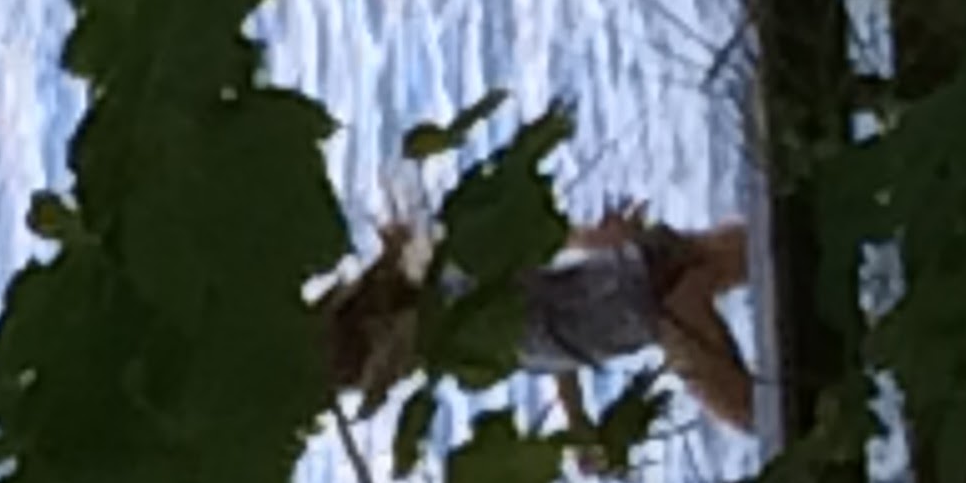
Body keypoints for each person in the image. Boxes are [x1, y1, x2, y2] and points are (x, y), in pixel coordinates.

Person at [322, 202, 759, 438]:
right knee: (759, 252)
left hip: (654, 303)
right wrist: (577, 419)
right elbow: (549, 334)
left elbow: (530, 239)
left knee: (749, 413)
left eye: (380, 369)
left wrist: (594, 237)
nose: (395, 377)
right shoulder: (461, 340)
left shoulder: (455, 294)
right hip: (642, 279)